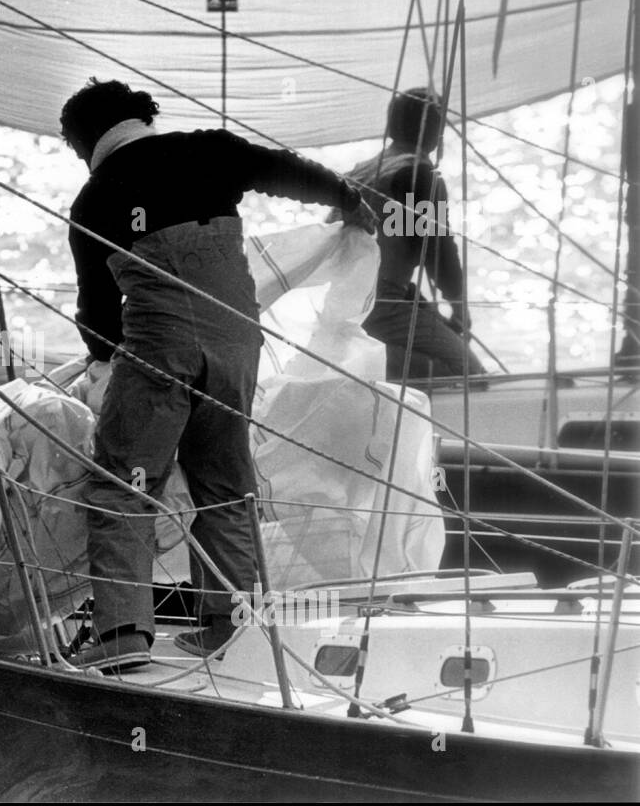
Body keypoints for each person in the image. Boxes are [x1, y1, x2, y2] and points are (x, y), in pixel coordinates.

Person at [61, 79, 377, 673]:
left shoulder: (94, 198)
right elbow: (285, 171)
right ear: (142, 117)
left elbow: (97, 314)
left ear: (84, 139)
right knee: (226, 487)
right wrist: (346, 195)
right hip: (238, 346)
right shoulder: (208, 148)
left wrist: (105, 361)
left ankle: (125, 633)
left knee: (123, 485)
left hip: (161, 351)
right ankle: (227, 629)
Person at [341, 87, 486, 382]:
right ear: (435, 130)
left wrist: (420, 302)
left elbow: (383, 244)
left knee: (433, 333)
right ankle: (362, 367)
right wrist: (460, 308)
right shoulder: (417, 174)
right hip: (377, 305)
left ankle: (359, 363)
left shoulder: (360, 172)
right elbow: (437, 251)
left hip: (340, 300)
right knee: (468, 373)